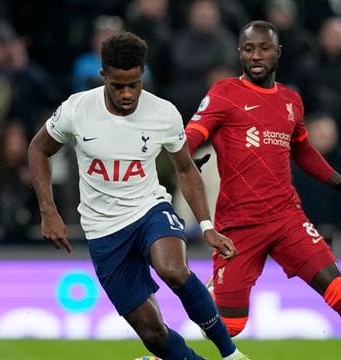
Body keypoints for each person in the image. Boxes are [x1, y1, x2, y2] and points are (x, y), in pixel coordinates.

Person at [28, 32, 249, 360]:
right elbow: (38, 149)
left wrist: (206, 225)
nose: (128, 93)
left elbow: (186, 169)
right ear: (104, 76)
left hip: (149, 210)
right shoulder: (77, 108)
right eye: (118, 86)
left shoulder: (163, 113)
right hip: (103, 230)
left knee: (172, 268)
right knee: (153, 335)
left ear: (142, 74)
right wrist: (48, 211)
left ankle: (231, 354)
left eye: (135, 83)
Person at [185, 21, 341, 359]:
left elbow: (303, 150)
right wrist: (187, 155)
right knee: (230, 327)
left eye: (264, 48)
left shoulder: (290, 101)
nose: (256, 56)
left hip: (286, 218)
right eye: (248, 49)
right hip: (239, 225)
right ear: (239, 52)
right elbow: (191, 135)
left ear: (277, 52)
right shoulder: (224, 92)